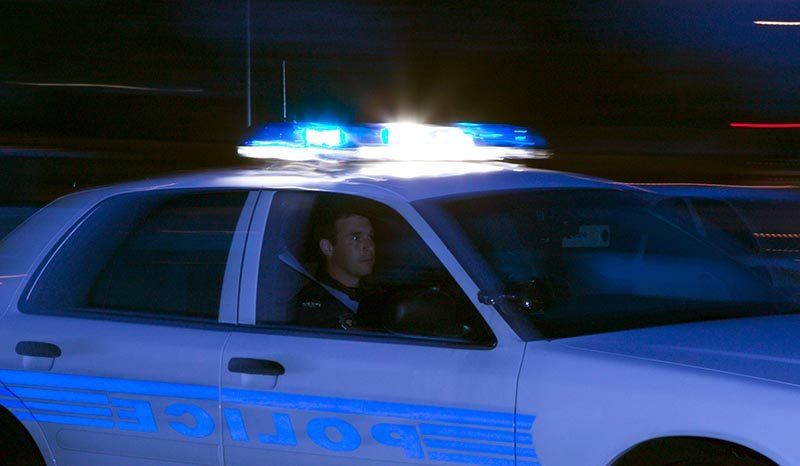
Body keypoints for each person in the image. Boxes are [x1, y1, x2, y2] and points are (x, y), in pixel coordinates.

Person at [289, 207, 376, 329]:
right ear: (328, 247)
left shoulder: (376, 297)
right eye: (356, 238)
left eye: (371, 237)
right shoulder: (312, 308)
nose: (369, 246)